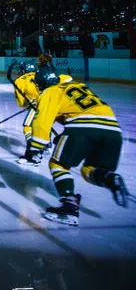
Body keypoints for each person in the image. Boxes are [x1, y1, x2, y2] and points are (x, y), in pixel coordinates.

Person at [31, 67, 128, 226]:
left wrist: (36, 146)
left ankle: (69, 205)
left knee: (58, 163)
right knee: (88, 170)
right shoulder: (78, 86)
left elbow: (42, 121)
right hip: (113, 131)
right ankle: (109, 178)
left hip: (82, 128)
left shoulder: (51, 91)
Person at [8, 60, 72, 166]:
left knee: (28, 126)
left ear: (24, 70)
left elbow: (21, 103)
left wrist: (30, 102)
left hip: (39, 103)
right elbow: (68, 78)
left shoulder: (19, 80)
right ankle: (46, 145)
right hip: (55, 103)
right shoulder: (41, 75)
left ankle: (34, 152)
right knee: (45, 124)